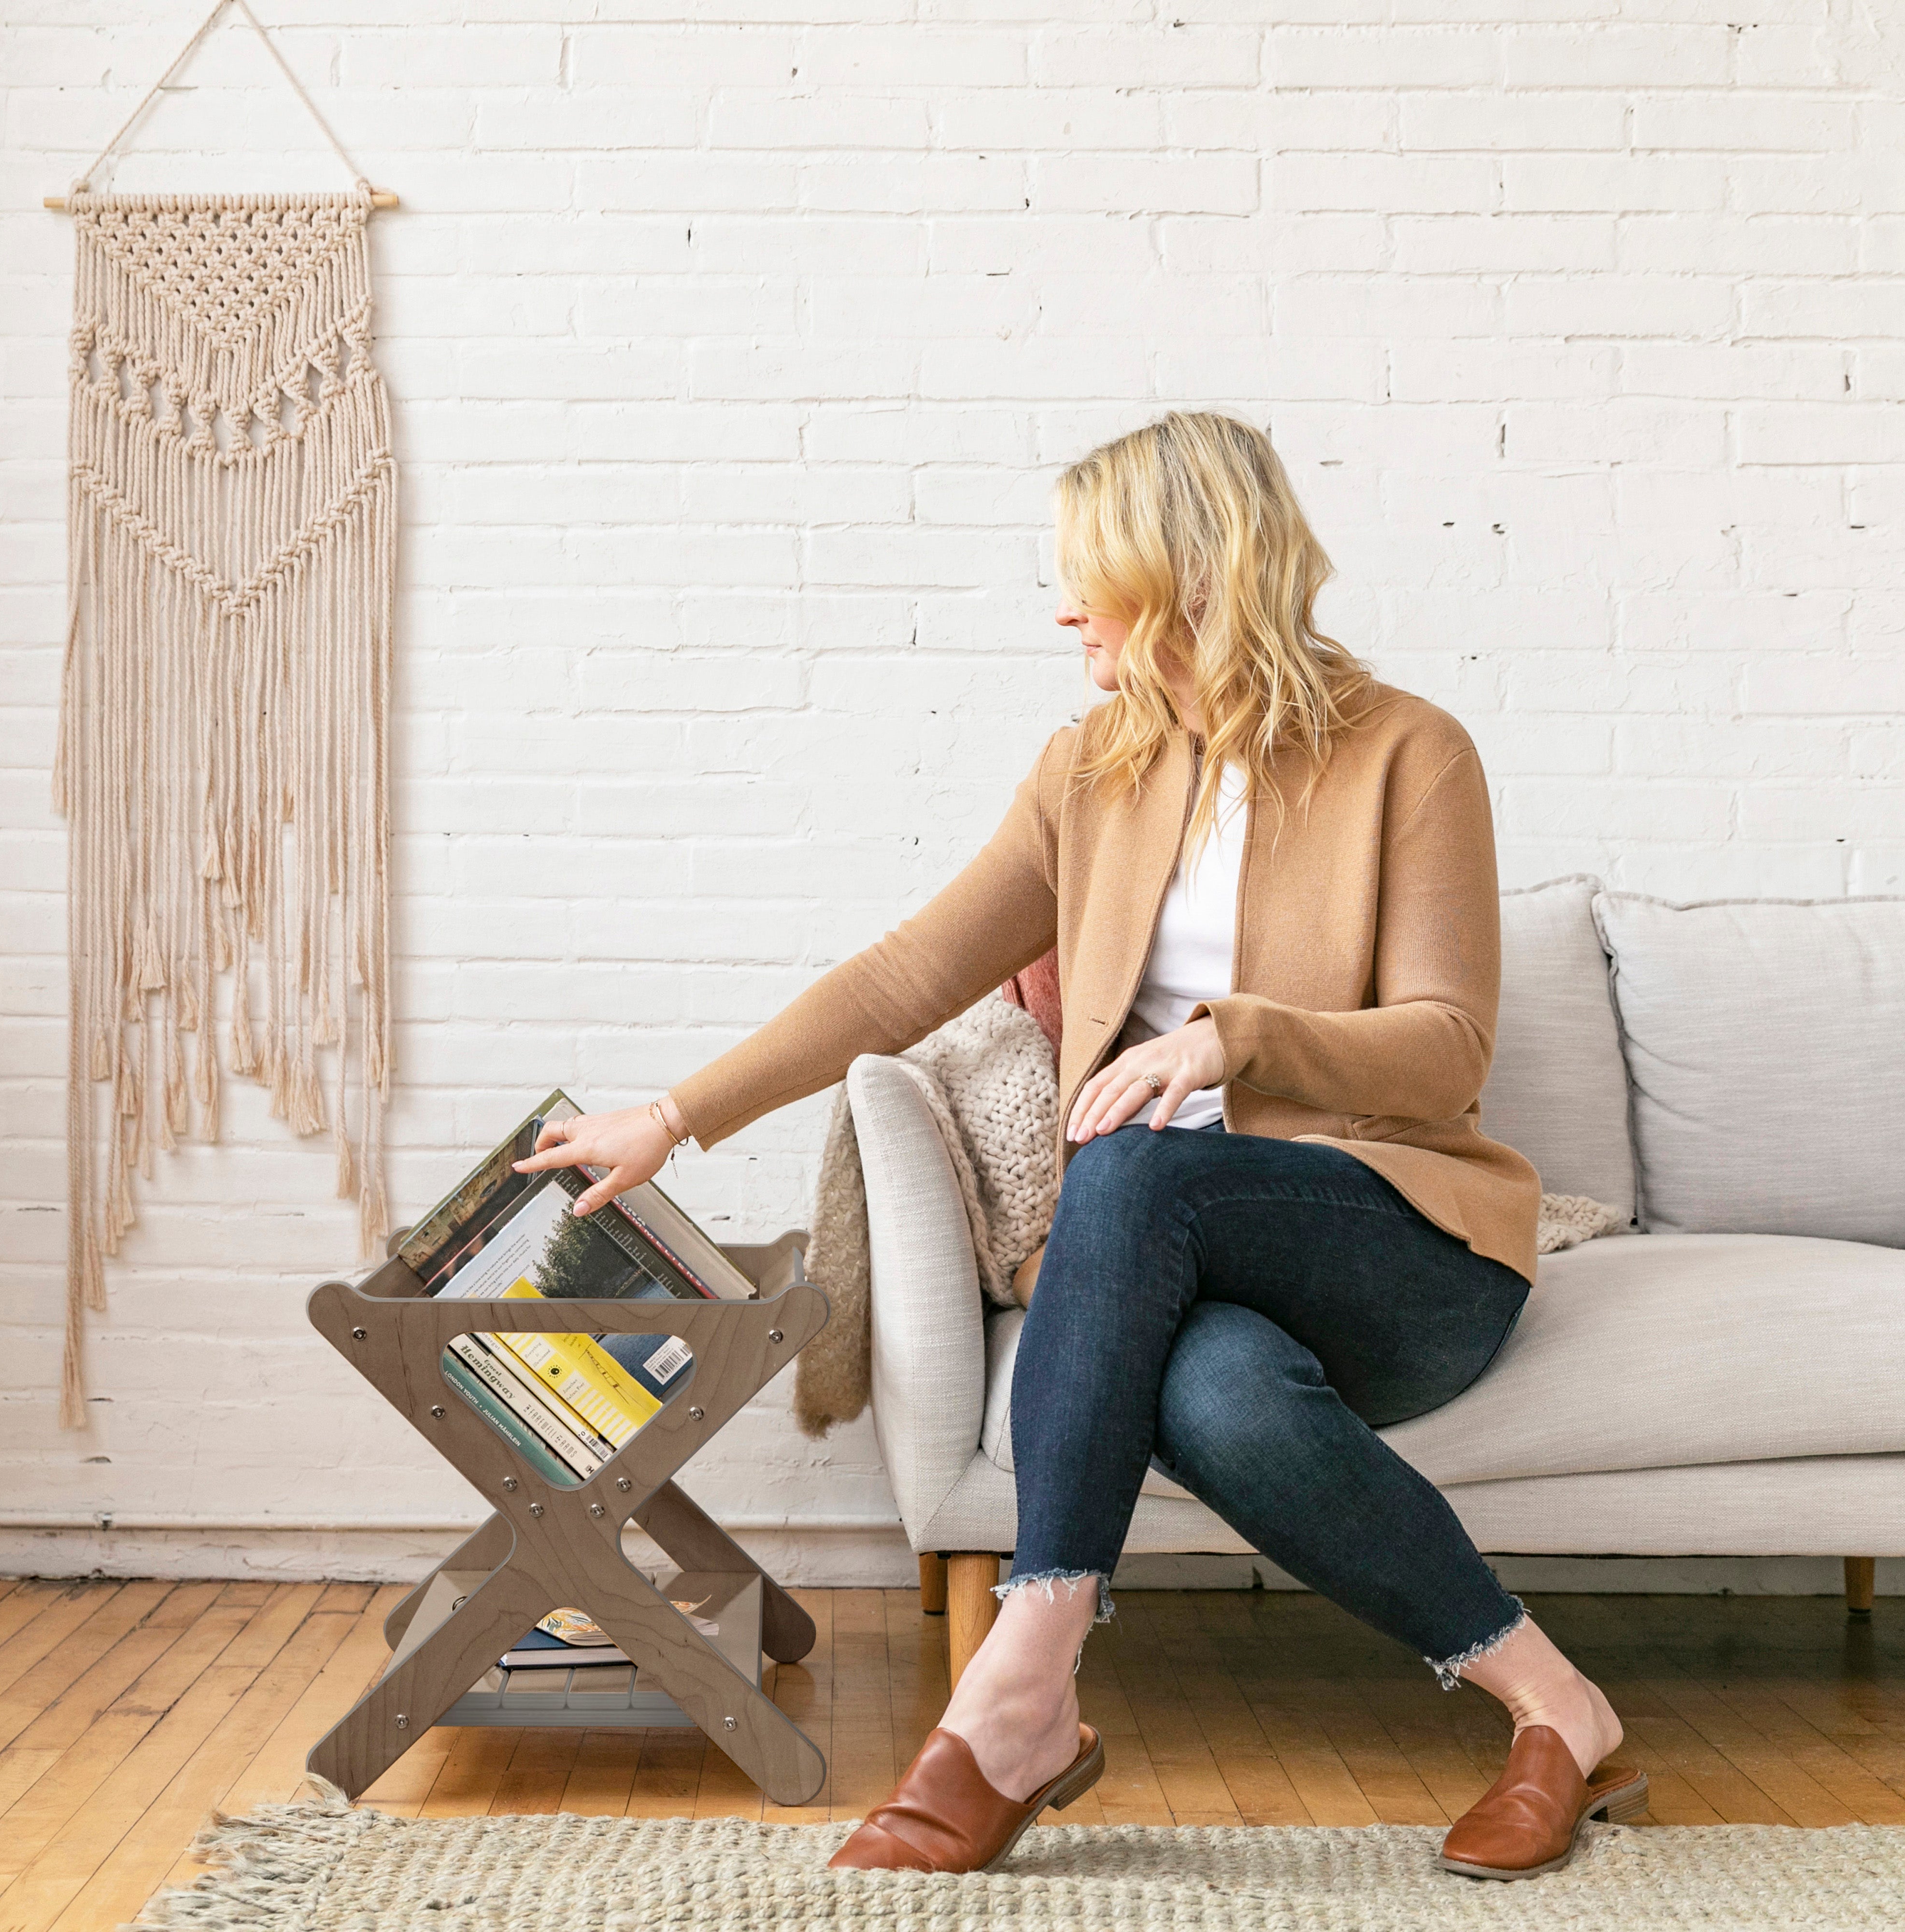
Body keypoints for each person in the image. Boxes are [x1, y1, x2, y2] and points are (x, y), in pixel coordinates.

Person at [513, 411, 1645, 1882]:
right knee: (1219, 1394)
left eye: (1088, 577)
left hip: (1396, 1246)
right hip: (1179, 1270)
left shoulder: (1411, 754)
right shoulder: (1089, 773)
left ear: (1188, 579)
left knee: (1129, 1163)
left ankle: (1021, 1685)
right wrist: (675, 1117)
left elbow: (1447, 1046)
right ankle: (1560, 1710)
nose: (1062, 610)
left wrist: (1235, 1038)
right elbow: (900, 977)